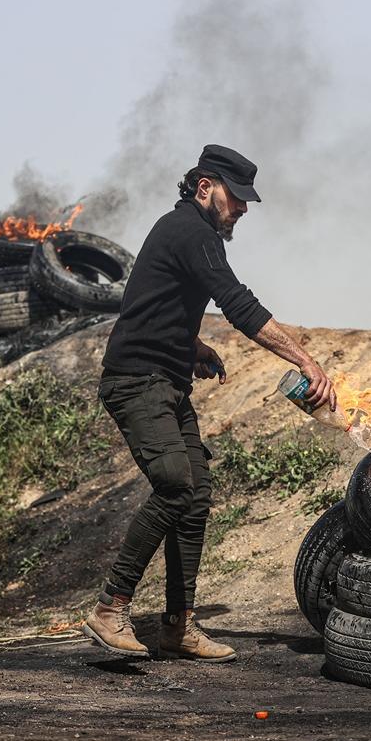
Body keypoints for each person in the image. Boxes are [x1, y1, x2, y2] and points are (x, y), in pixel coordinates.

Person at [83, 144, 338, 662]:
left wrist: (192, 347)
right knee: (176, 486)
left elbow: (153, 302)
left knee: (195, 494)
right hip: (137, 381)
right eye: (236, 197)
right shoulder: (191, 231)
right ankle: (110, 608)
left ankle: (178, 625)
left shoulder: (183, 233)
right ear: (205, 187)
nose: (242, 208)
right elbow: (238, 304)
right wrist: (308, 363)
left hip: (167, 378)